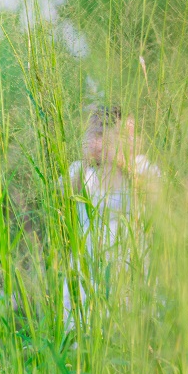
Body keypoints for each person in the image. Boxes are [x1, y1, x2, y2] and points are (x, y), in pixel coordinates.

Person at [65, 105, 159, 327]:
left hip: (131, 265)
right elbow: (60, 193)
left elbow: (157, 200)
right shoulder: (82, 171)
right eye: (94, 133)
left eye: (131, 133)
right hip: (87, 267)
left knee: (131, 331)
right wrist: (91, 158)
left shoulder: (142, 167)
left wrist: (122, 162)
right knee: (85, 334)